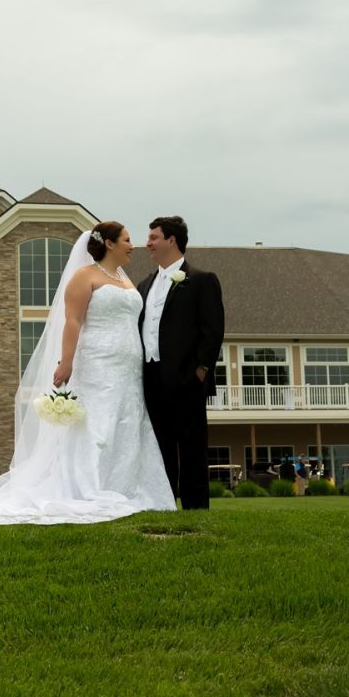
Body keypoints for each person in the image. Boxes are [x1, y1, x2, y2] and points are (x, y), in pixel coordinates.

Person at [0, 223, 175, 526]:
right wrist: (66, 362)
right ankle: (91, 487)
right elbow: (73, 322)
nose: (133, 246)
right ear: (108, 243)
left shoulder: (125, 280)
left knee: (128, 423)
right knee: (98, 427)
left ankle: (126, 486)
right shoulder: (84, 277)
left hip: (129, 368)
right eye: (127, 240)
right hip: (97, 364)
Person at [138, 215, 226, 511]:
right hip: (151, 376)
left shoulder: (201, 280)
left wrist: (200, 371)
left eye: (153, 238)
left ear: (171, 240)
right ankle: (164, 503)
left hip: (187, 379)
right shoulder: (144, 285)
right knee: (159, 446)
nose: (147, 243)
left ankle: (196, 507)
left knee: (191, 447)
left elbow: (212, 331)